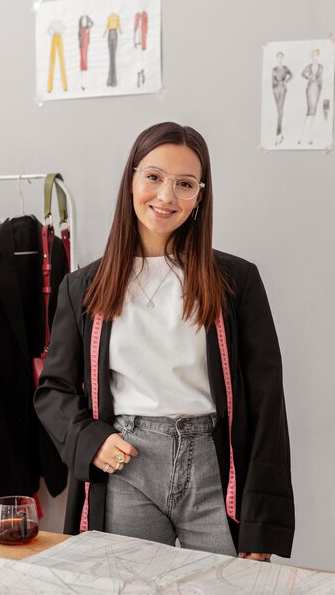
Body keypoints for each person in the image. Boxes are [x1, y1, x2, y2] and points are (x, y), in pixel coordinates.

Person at [34, 122, 295, 560]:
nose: (166, 196)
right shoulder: (83, 287)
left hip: (215, 468)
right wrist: (90, 440)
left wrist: (261, 526)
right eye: (153, 177)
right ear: (132, 178)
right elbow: (54, 390)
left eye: (185, 184)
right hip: (127, 466)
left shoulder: (237, 282)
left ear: (200, 196)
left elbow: (268, 404)